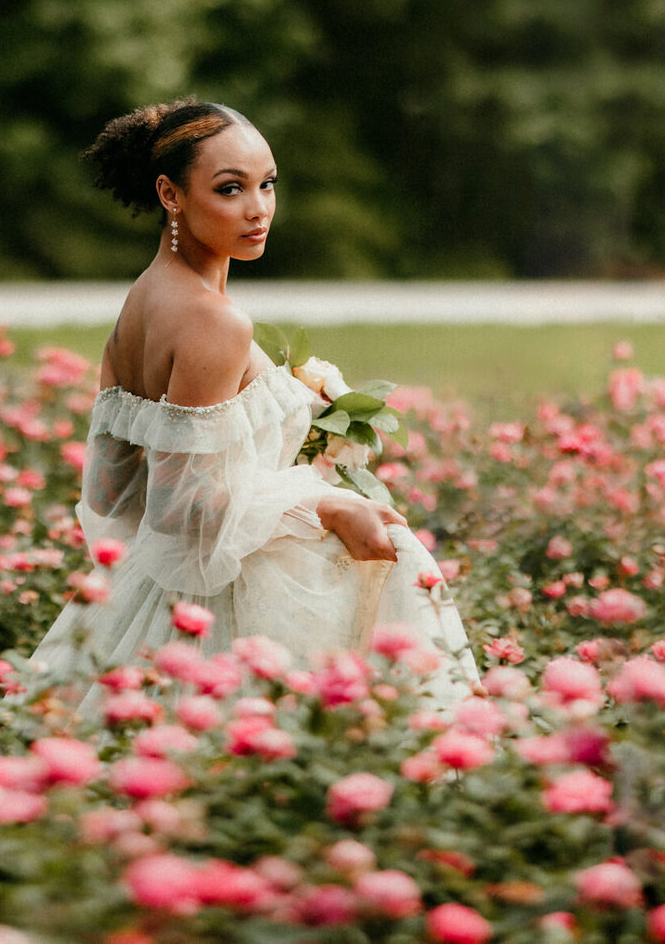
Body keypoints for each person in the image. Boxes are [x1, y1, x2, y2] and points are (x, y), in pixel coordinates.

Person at [31, 99, 478, 705]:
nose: (258, 208)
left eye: (267, 184)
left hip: (149, 597)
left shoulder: (141, 302)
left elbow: (109, 493)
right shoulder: (214, 322)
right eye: (230, 188)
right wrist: (323, 505)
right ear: (171, 194)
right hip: (224, 609)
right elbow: (183, 510)